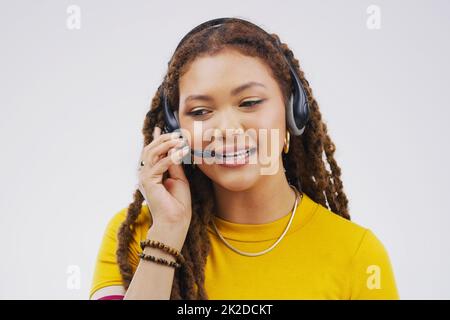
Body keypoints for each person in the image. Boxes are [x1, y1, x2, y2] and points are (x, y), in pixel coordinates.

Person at [89, 17, 399, 300]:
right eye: (200, 111)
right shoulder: (138, 234)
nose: (226, 129)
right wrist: (167, 232)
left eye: (249, 102)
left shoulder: (358, 255)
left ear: (293, 112)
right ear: (175, 129)